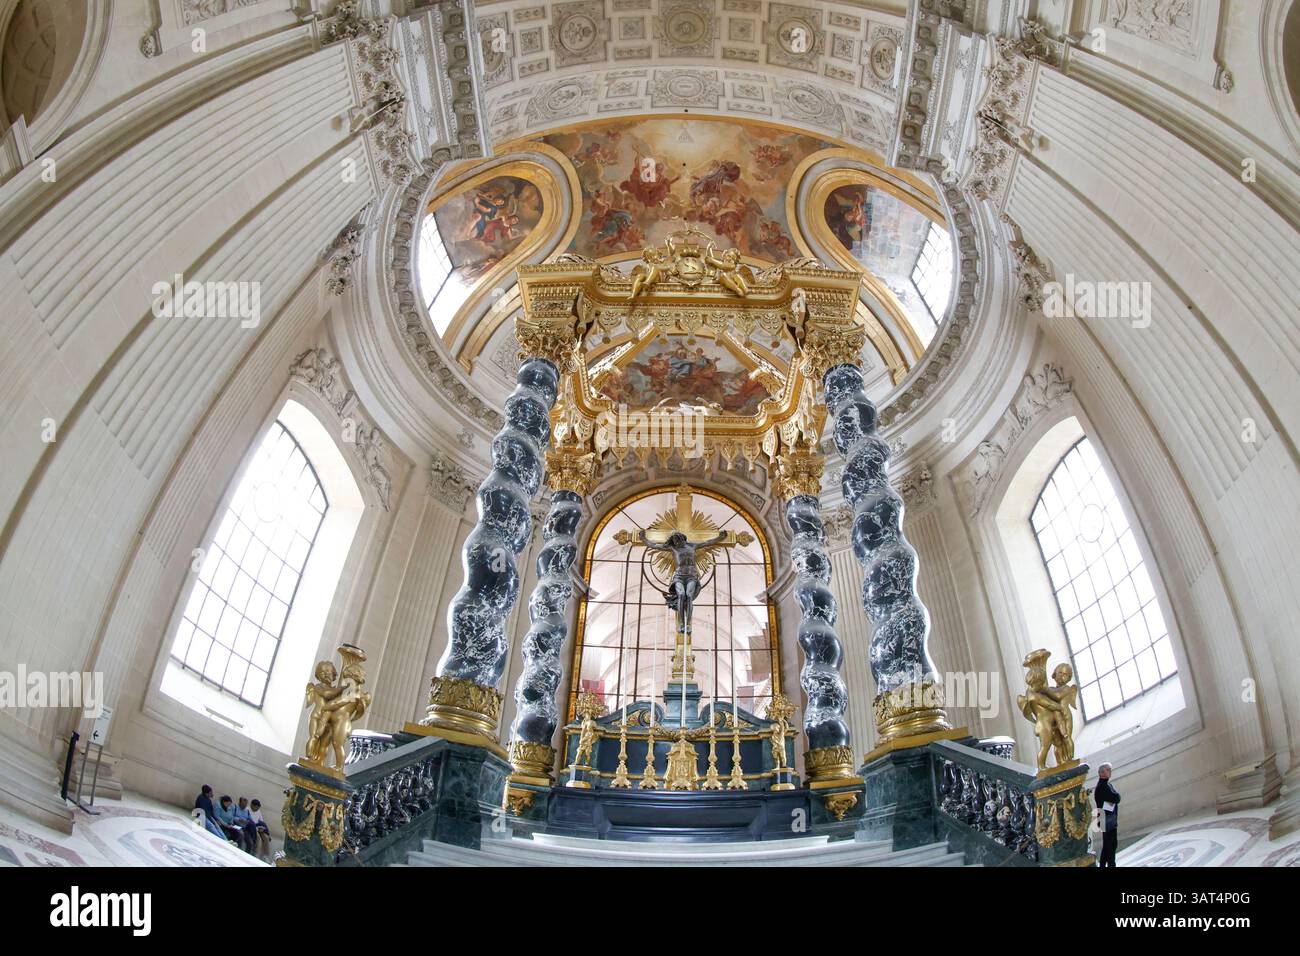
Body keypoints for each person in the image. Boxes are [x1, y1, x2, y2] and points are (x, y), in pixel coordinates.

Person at [1094, 762, 1121, 867]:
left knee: (1107, 846)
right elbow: (1116, 798)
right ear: (1101, 773)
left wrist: (1116, 796)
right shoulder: (1102, 786)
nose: (1110, 771)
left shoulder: (1107, 784)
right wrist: (1116, 797)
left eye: (1110, 769)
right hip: (1106, 820)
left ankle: (1102, 865)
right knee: (1111, 845)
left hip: (1108, 820)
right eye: (1108, 769)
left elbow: (1116, 797)